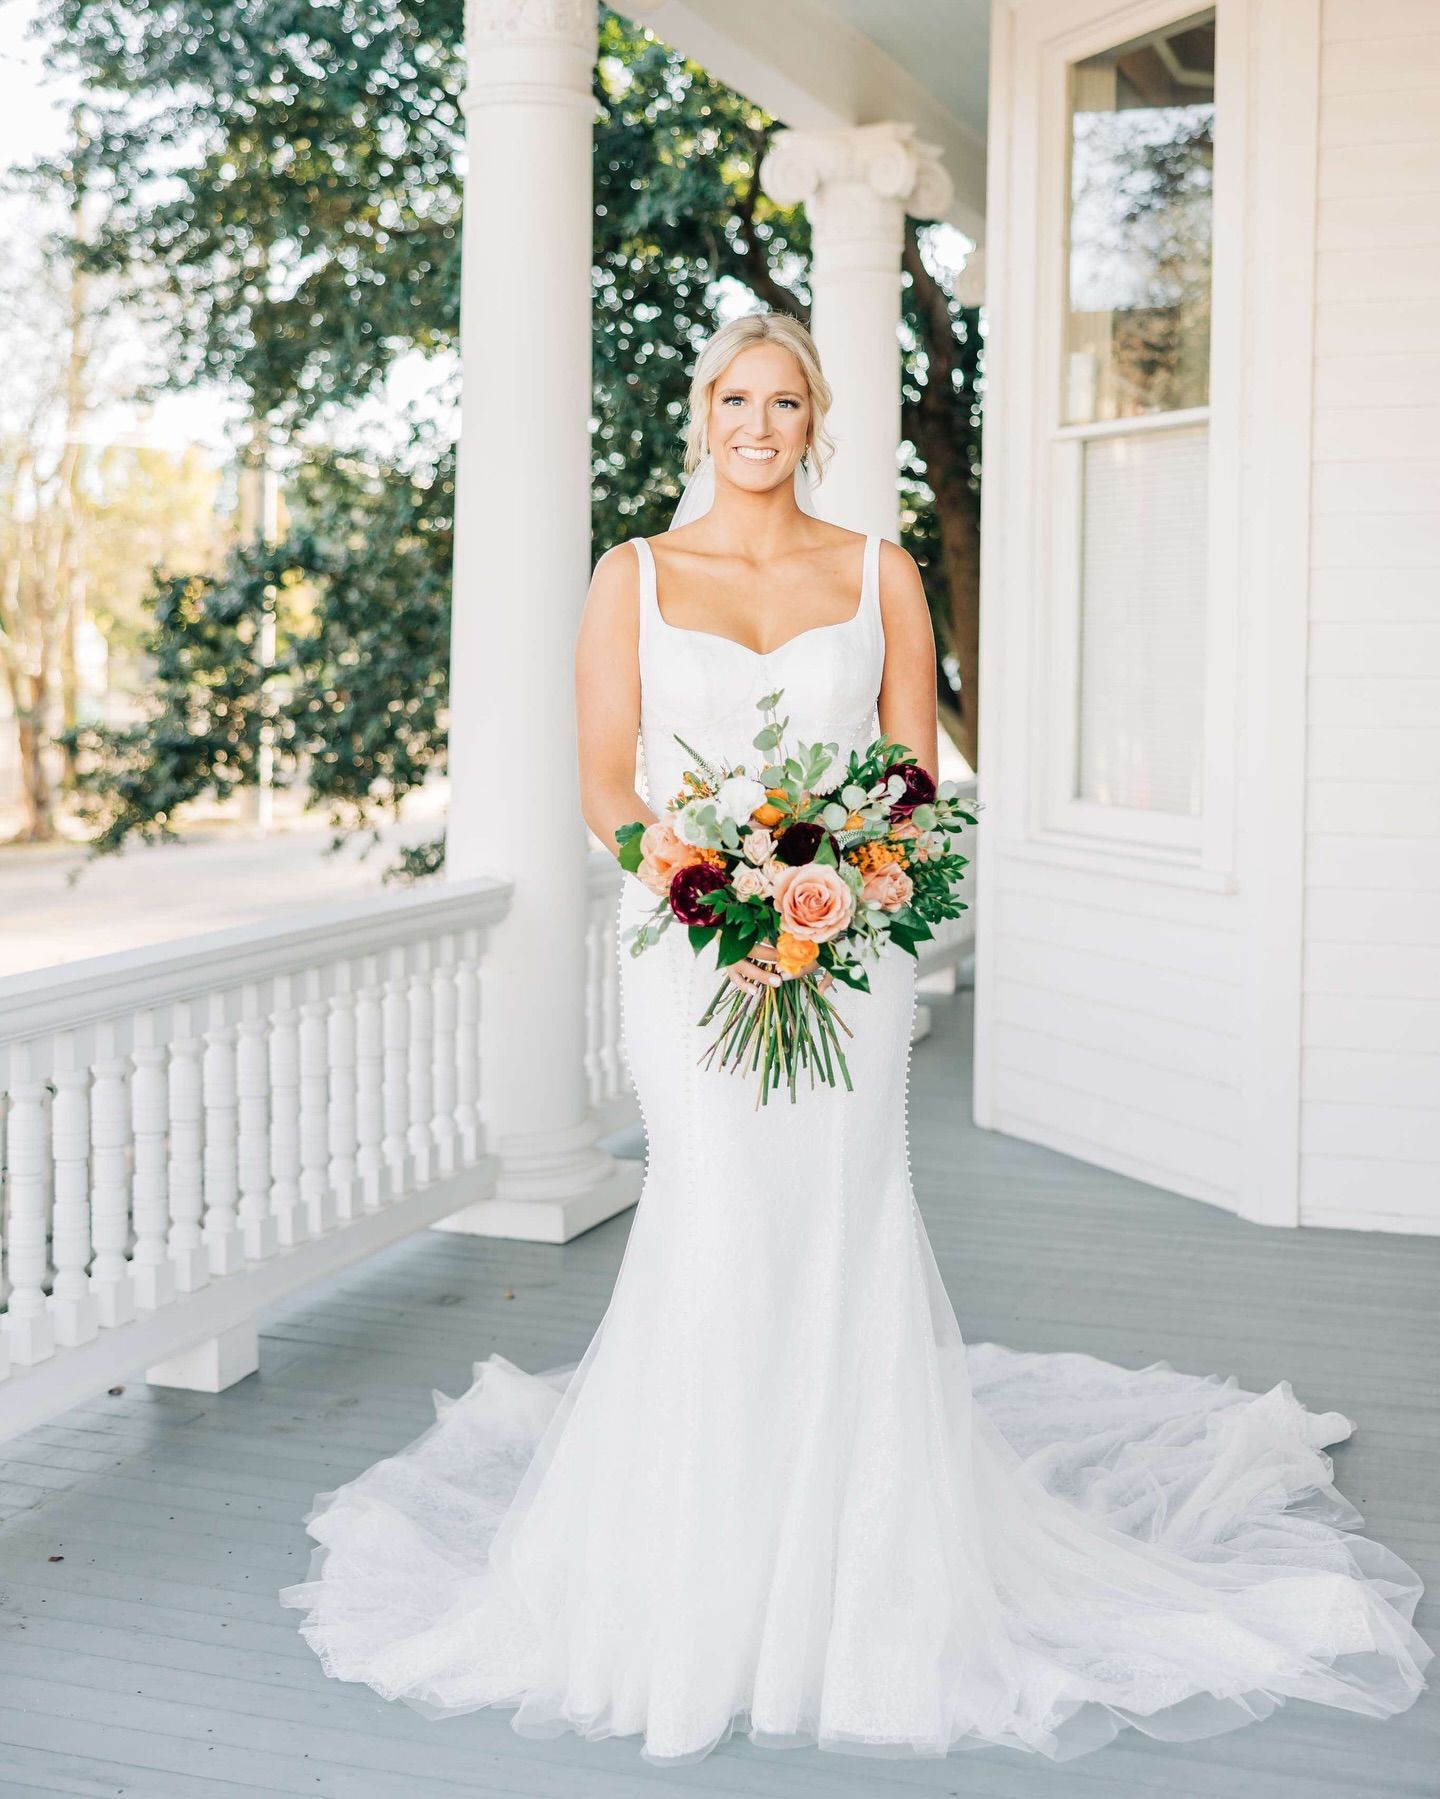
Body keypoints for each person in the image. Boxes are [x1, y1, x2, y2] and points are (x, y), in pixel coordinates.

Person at [280, 311, 1430, 1765]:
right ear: (702, 414)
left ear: (817, 421)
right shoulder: (630, 576)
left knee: (841, 1214)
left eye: (787, 400)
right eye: (736, 398)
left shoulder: (880, 572)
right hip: (693, 955)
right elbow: (607, 786)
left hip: (851, 950)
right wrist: (726, 900)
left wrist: (828, 899)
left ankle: (860, 1559)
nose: (759, 423)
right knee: (715, 1217)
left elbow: (908, 776)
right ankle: (697, 1555)